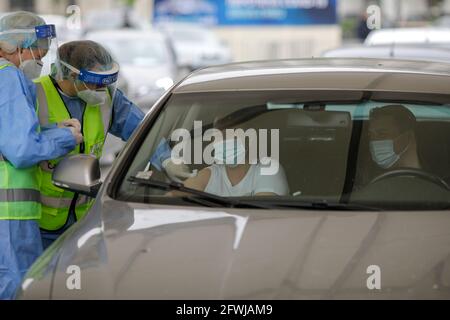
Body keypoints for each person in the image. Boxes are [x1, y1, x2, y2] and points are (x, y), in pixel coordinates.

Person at [0, 11, 82, 299]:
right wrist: (64, 137)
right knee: (18, 288)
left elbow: (8, 134)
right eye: (38, 54)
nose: (40, 61)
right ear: (18, 46)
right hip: (9, 214)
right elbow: (21, 150)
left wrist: (49, 129)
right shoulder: (8, 77)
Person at [35, 40, 145, 249]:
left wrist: (169, 160)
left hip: (86, 222)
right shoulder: (34, 94)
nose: (102, 90)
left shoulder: (109, 99)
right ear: (71, 75)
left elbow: (143, 130)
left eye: (106, 82)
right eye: (96, 83)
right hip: (41, 224)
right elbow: (19, 142)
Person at [368, 104, 421, 170]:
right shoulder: (365, 175)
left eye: (382, 134)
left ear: (408, 136)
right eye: (370, 135)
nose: (374, 141)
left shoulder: (434, 174)